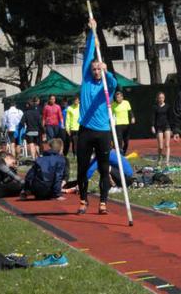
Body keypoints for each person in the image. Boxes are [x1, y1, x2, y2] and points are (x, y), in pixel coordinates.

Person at [76, 17, 117, 215]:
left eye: (98, 69)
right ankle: (83, 200)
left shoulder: (107, 85)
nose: (95, 72)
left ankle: (103, 202)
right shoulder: (86, 79)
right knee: (82, 167)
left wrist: (106, 71)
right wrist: (93, 31)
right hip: (85, 131)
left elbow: (114, 83)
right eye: (94, 69)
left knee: (103, 168)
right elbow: (89, 53)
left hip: (103, 131)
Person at [151, 92, 172, 167]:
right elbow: (153, 117)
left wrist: (171, 128)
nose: (161, 99)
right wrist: (152, 126)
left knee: (167, 145)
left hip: (167, 126)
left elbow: (170, 117)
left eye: (162, 97)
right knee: (160, 146)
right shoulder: (155, 107)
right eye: (160, 98)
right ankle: (159, 158)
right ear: (157, 98)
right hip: (159, 127)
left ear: (164, 98)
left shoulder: (168, 106)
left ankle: (167, 162)